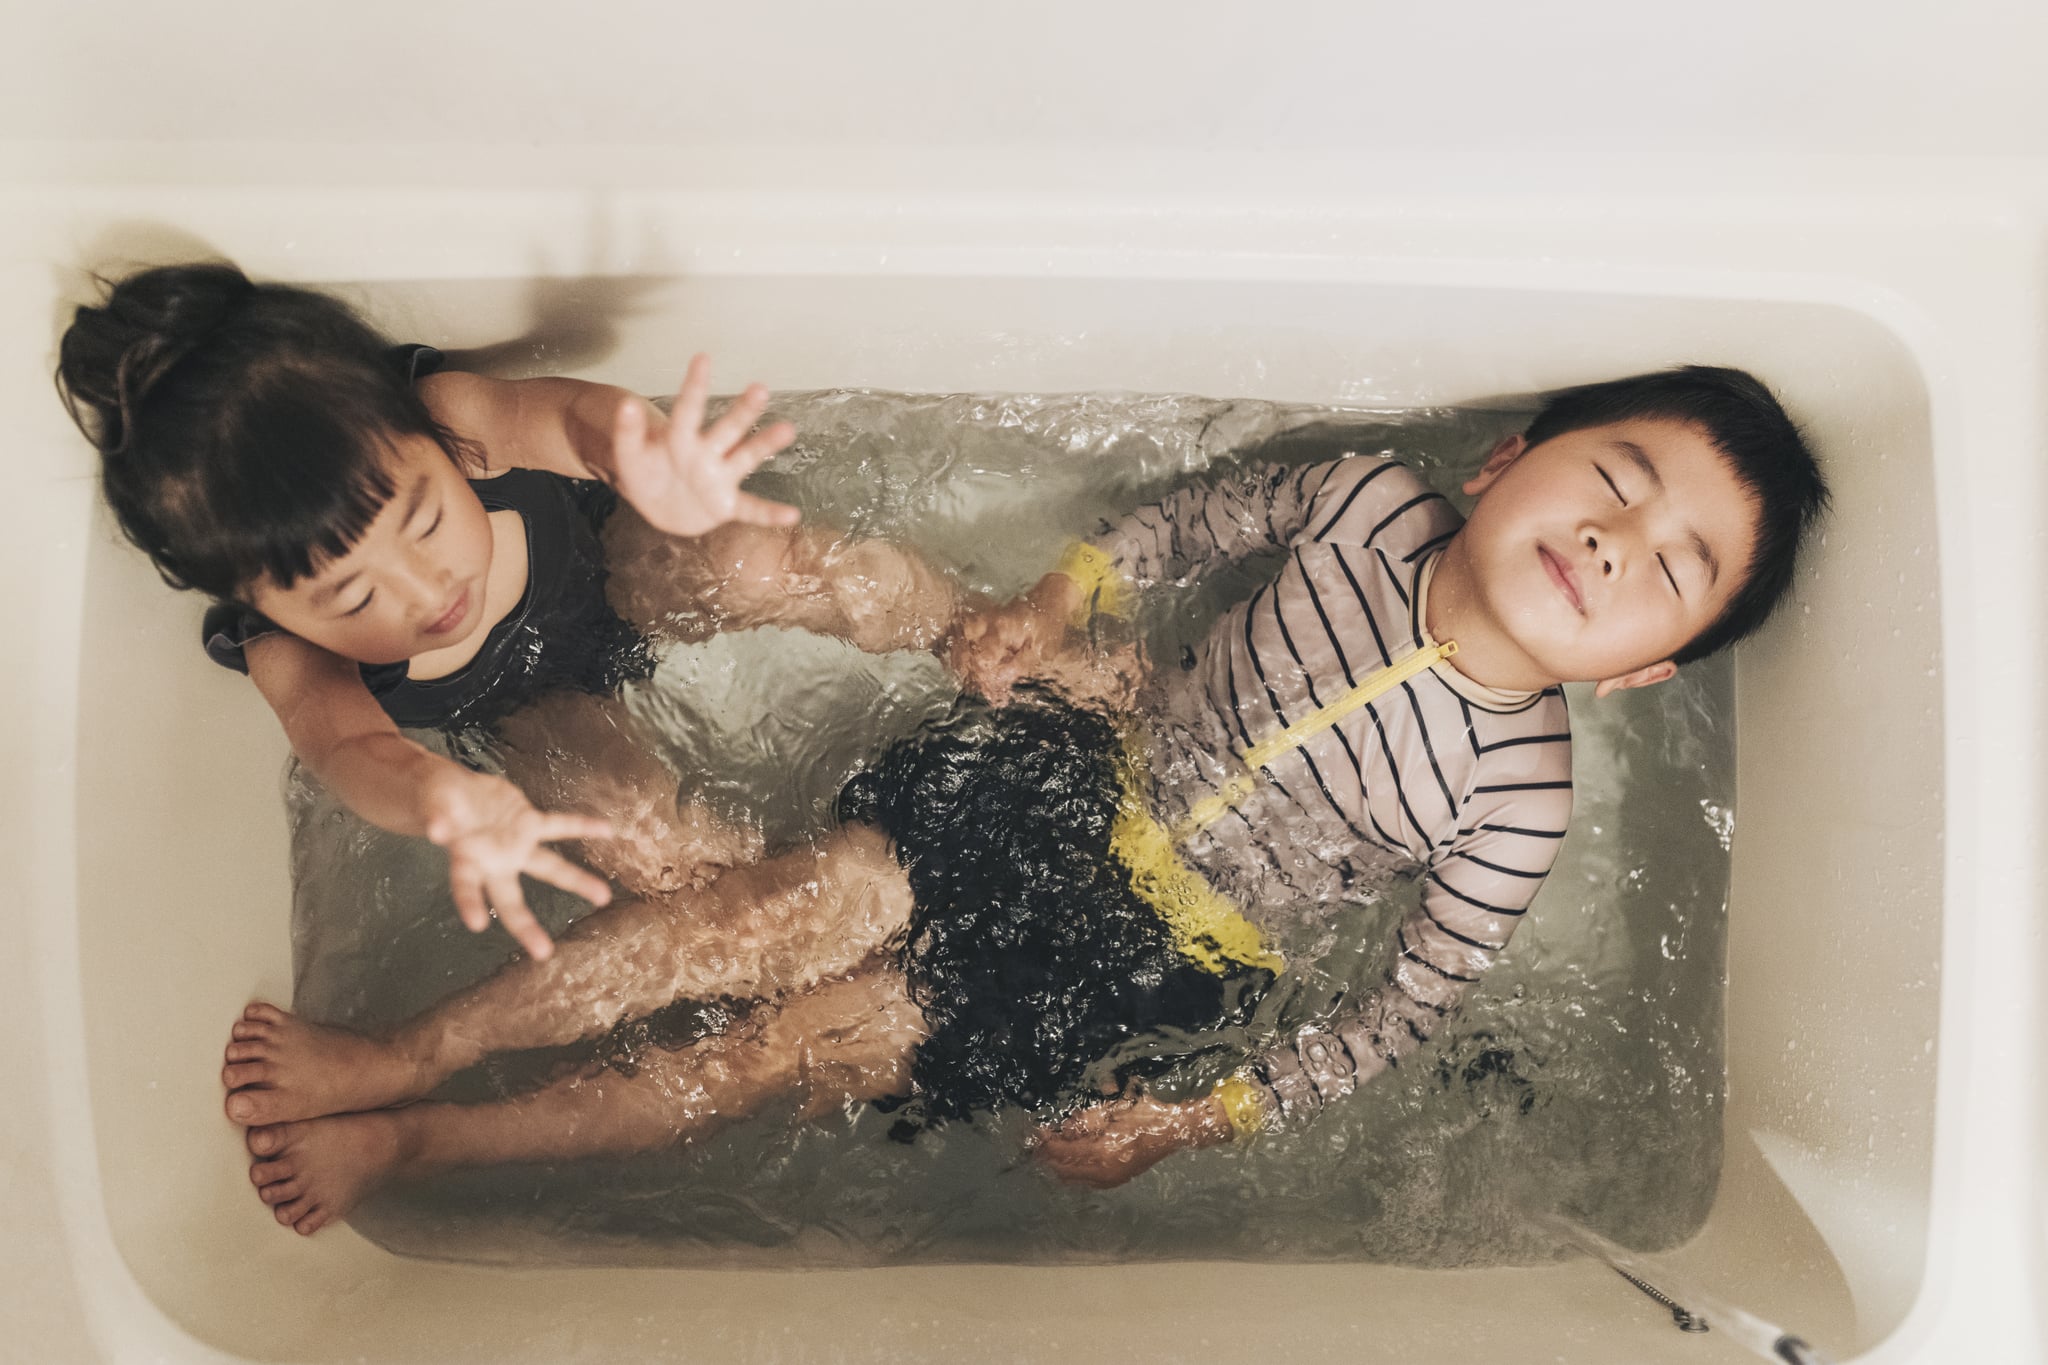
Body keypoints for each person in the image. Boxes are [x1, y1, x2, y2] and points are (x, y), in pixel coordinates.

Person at [217, 366, 1827, 1234]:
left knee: (770, 1054)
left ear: (1643, 673)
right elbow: (1186, 530)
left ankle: (428, 1140)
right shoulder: (1363, 501)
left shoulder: (1522, 799)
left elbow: (1403, 1009)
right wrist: (1058, 603)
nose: (1622, 543)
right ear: (1510, 461)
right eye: (1618, 481)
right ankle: (416, 1048)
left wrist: (1198, 1114)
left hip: (1158, 962)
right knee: (754, 915)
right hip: (1068, 777)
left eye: (1674, 569)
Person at [57, 261, 966, 958]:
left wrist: (645, 460)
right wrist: (443, 799)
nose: (426, 592)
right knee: (651, 849)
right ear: (266, 606)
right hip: (528, 706)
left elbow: (570, 421)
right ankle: (853, 931)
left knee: (777, 565)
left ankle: (980, 630)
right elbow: (348, 748)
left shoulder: (454, 413)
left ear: (427, 442)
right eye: (354, 596)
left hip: (611, 559)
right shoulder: (285, 651)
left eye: (423, 520)